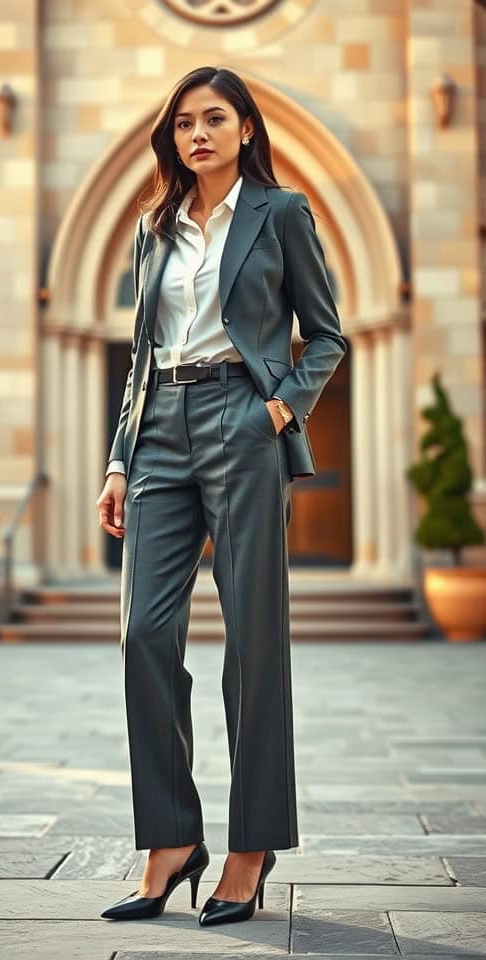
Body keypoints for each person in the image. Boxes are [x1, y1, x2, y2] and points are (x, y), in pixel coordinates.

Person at [97, 66, 346, 926]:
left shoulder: (281, 214)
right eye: (183, 123)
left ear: (245, 128)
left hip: (243, 417)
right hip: (160, 423)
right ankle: (171, 839)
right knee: (143, 632)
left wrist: (275, 411)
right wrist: (119, 460)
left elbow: (327, 335)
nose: (196, 134)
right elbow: (139, 354)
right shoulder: (151, 227)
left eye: (214, 119)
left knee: (253, 639)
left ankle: (250, 845)